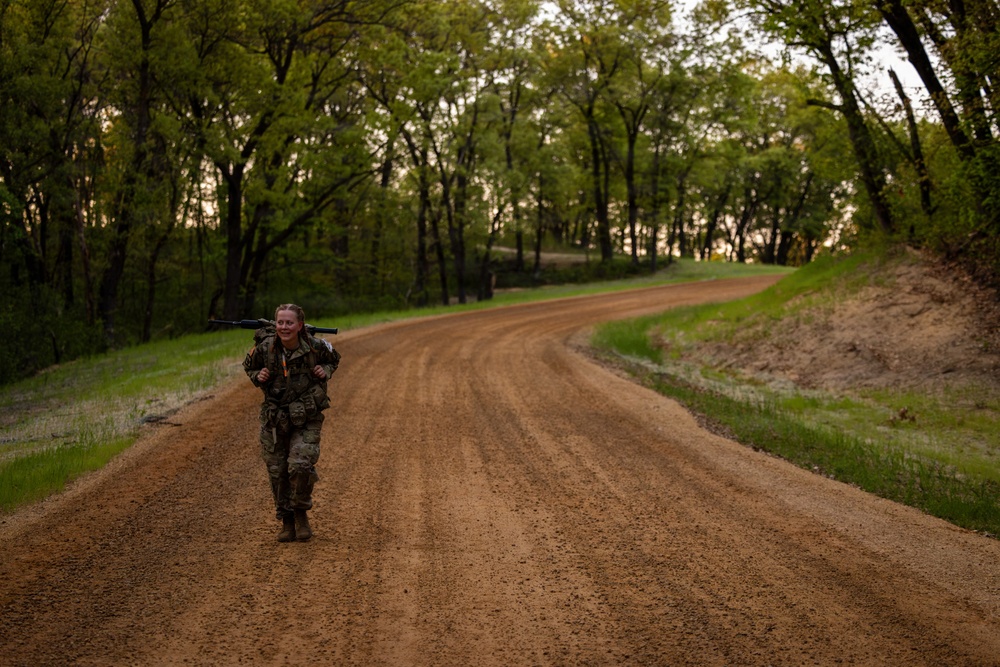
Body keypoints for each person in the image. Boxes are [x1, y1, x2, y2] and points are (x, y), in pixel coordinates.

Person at [243, 304, 341, 542]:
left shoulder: (315, 346)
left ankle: (300, 515)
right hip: (275, 418)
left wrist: (323, 370)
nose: (284, 327)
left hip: (307, 416)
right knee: (277, 471)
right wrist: (259, 376)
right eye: (280, 322)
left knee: (300, 464)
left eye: (289, 323)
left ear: (299, 325)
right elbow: (249, 366)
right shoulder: (265, 348)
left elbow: (334, 359)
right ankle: (286, 521)